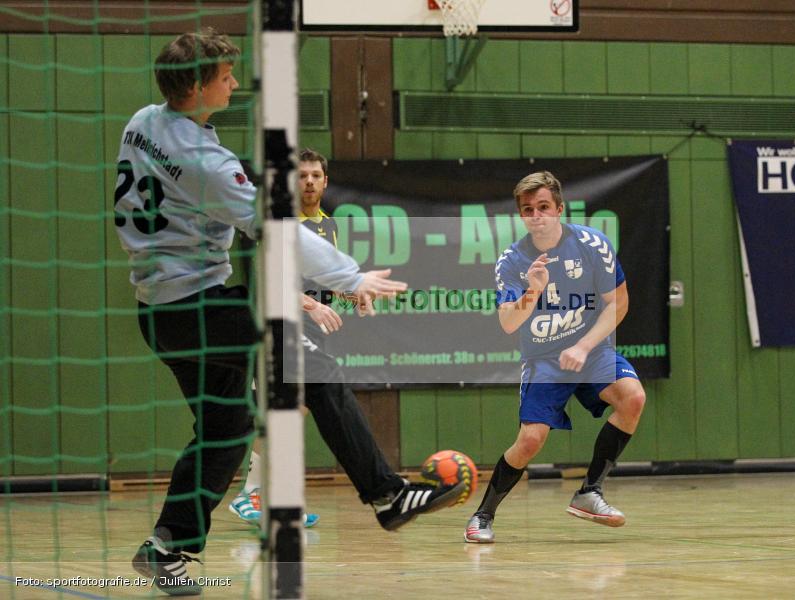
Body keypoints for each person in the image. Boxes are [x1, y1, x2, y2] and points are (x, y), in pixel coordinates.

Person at [115, 30, 463, 596]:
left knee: (226, 429)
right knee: (310, 364)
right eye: (224, 76)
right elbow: (278, 229)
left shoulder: (141, 121)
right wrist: (351, 277)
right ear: (199, 86)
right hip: (197, 305)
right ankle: (388, 495)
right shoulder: (206, 161)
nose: (232, 82)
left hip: (159, 313)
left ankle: (165, 548)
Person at [464, 171, 646, 544]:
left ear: (559, 208)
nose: (537, 215)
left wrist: (583, 345)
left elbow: (619, 302)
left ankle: (589, 492)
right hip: (544, 359)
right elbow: (508, 324)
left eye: (544, 207)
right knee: (530, 440)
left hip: (591, 349)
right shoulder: (513, 260)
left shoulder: (592, 245)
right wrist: (532, 292)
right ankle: (482, 515)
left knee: (633, 397)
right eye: (528, 210)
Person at [229, 148, 336, 528]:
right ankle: (250, 495)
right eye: (302, 175)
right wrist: (312, 307)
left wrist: (355, 293)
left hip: (308, 334)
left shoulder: (327, 226)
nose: (308, 181)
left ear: (325, 181)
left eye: (315, 175)